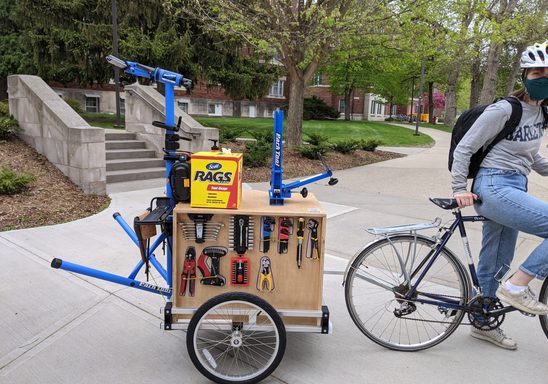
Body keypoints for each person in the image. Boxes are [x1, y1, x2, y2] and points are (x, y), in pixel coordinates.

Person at [451, 41, 548, 350]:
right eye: (538, 72)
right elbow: (465, 147)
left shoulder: (539, 113)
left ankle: (482, 321)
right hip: (492, 187)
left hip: (515, 186)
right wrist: (458, 189)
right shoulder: (505, 109)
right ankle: (518, 287)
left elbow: (530, 158)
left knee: (496, 259)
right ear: (525, 76)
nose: (544, 77)